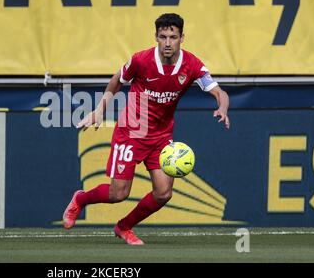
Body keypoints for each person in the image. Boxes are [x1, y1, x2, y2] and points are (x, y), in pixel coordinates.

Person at [63, 13, 230, 245]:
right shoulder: (141, 60)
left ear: (182, 37)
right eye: (163, 37)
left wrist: (222, 107)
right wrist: (100, 109)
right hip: (131, 132)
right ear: (156, 37)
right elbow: (116, 79)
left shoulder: (193, 65)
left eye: (173, 37)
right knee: (118, 194)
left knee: (164, 193)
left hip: (161, 137)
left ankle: (124, 227)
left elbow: (219, 91)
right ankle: (81, 199)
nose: (168, 42)